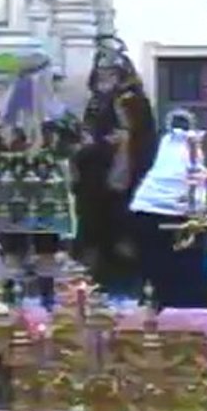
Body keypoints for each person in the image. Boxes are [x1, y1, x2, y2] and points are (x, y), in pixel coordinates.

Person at [72, 36, 158, 297]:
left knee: (121, 238)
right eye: (100, 72)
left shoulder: (131, 101)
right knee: (96, 236)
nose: (103, 78)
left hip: (123, 182)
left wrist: (118, 143)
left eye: (109, 72)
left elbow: (138, 140)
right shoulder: (97, 101)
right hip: (94, 180)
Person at [129, 124, 207, 310]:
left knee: (172, 284)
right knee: (185, 288)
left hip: (158, 213)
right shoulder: (188, 144)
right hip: (168, 216)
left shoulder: (171, 141)